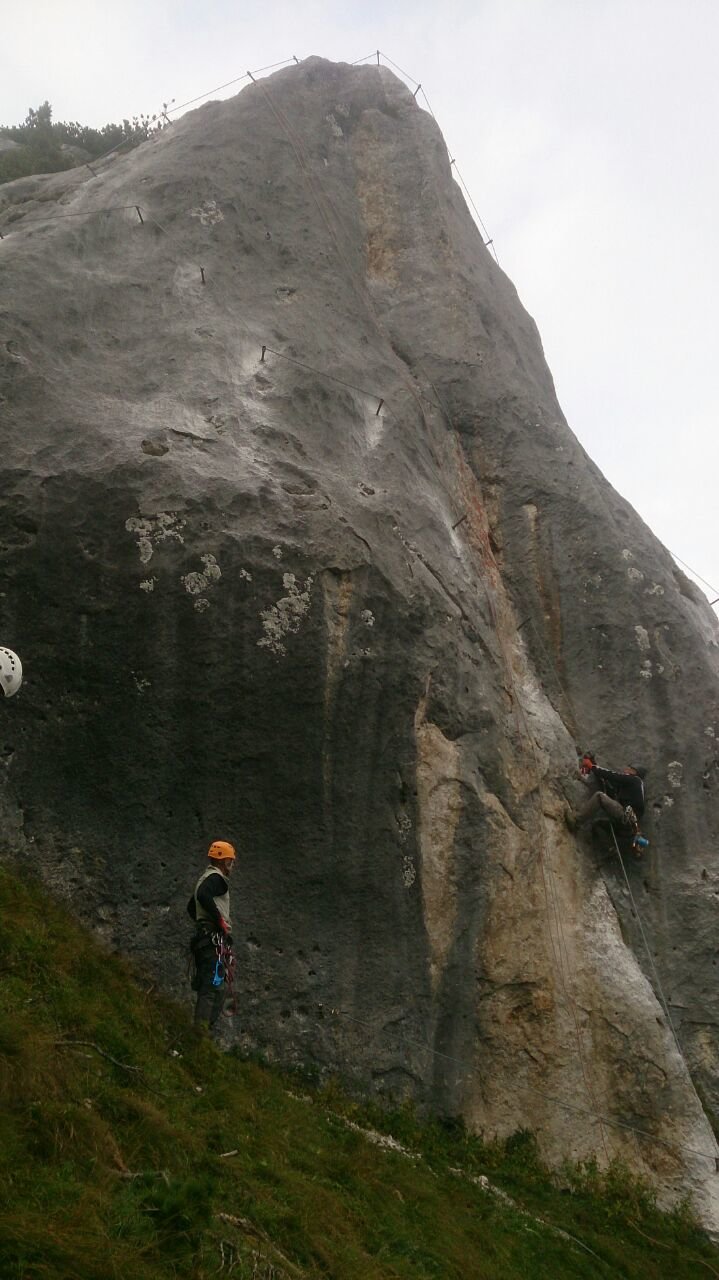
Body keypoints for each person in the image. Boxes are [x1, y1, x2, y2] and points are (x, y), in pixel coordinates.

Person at [187, 840, 236, 1030]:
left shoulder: (204, 878)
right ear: (223, 861)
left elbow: (192, 906)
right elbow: (203, 896)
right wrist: (219, 921)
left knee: (215, 986)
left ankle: (202, 1033)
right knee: (212, 988)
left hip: (205, 940)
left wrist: (204, 923)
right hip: (212, 943)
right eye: (230, 861)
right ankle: (200, 1034)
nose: (232, 866)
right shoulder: (217, 879)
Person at [565, 757, 647, 836]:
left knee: (599, 796)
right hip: (629, 822)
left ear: (634, 772)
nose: (626, 769)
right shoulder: (637, 786)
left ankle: (576, 821)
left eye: (629, 768)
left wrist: (592, 766)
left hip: (625, 816)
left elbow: (612, 775)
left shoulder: (635, 780)